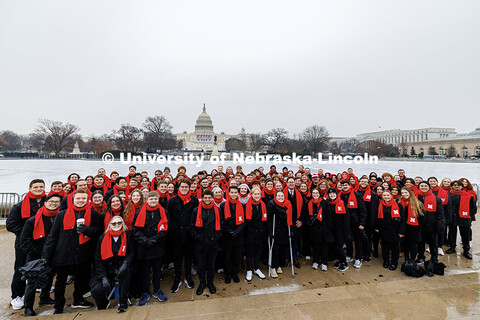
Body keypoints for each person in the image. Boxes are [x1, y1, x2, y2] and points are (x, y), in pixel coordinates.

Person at [42, 189, 101, 314]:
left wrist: (86, 229)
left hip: (82, 253)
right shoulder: (61, 214)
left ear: (87, 200)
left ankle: (78, 300)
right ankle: (58, 306)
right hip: (63, 253)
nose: (81, 201)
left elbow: (98, 232)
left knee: (80, 279)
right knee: (60, 281)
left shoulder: (94, 213)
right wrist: (46, 255)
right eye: (78, 198)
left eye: (83, 198)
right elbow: (53, 236)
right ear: (73, 199)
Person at [7, 179, 46, 310]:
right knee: (21, 268)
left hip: (42, 242)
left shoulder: (49, 202)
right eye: (36, 187)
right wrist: (27, 234)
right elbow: (11, 224)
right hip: (24, 243)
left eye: (41, 186)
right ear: (30, 188)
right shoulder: (19, 206)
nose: (39, 189)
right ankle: (16, 296)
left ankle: (39, 286)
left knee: (41, 265)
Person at [20, 194, 61, 317]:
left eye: (57, 202)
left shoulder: (60, 217)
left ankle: (45, 296)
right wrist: (39, 253)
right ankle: (28, 307)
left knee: (49, 277)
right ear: (45, 203)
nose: (54, 204)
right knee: (32, 283)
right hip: (36, 256)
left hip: (53, 254)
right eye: (51, 201)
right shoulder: (32, 220)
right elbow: (24, 241)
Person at [90, 216, 134, 313]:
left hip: (122, 266)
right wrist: (103, 277)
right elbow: (97, 259)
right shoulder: (102, 238)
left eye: (119, 223)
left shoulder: (128, 235)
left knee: (125, 274)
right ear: (109, 226)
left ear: (123, 224)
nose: (117, 225)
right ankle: (103, 303)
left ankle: (123, 302)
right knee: (96, 289)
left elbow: (131, 253)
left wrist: (126, 263)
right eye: (114, 223)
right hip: (106, 269)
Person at [132, 191, 169, 306]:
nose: (153, 201)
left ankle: (157, 290)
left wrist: (155, 240)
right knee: (145, 271)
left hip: (157, 246)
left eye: (155, 199)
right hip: (144, 247)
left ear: (158, 200)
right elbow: (135, 230)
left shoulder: (164, 212)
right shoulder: (139, 213)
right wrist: (145, 241)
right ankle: (146, 292)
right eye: (151, 199)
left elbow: (166, 229)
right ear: (147, 200)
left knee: (157, 270)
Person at [166, 179, 199, 293]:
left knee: (189, 258)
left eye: (186, 187)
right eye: (182, 187)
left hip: (190, 234)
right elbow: (169, 218)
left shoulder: (194, 200)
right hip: (176, 234)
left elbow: (197, 216)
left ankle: (188, 277)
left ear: (189, 188)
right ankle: (177, 278)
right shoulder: (172, 201)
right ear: (178, 188)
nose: (184, 189)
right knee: (177, 258)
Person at [191, 190, 223, 295]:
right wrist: (199, 237)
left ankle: (210, 283)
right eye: (205, 198)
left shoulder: (217, 210)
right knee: (201, 266)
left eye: (209, 198)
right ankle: (202, 283)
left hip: (213, 242)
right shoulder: (196, 210)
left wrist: (217, 237)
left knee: (211, 266)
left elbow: (221, 224)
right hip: (200, 243)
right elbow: (192, 227)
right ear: (202, 198)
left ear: (212, 198)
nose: (208, 200)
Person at [374, 190, 405, 271]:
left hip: (394, 230)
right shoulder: (380, 205)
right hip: (383, 230)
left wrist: (401, 231)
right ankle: (386, 261)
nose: (386, 197)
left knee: (395, 248)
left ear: (391, 196)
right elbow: (377, 217)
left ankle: (394, 263)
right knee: (384, 247)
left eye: (388, 195)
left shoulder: (398, 205)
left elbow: (403, 220)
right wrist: (377, 227)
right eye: (384, 195)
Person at [446, 180, 477, 259]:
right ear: (452, 186)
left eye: (459, 185)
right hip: (452, 217)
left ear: (462, 186)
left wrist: (469, 216)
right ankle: (452, 247)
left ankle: (466, 250)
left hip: (464, 218)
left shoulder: (469, 196)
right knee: (452, 233)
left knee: (465, 235)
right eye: (455, 185)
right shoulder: (448, 195)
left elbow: (473, 208)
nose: (457, 186)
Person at [221, 186, 246, 283]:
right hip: (227, 236)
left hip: (238, 236)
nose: (234, 194)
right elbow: (222, 221)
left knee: (237, 257)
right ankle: (228, 274)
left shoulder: (242, 206)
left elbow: (244, 222)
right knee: (227, 257)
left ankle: (235, 273)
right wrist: (229, 231)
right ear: (229, 193)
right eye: (232, 192)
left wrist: (237, 231)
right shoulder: (223, 206)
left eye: (236, 192)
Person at [339, 180, 367, 269]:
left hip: (356, 221)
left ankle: (358, 258)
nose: (344, 187)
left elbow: (363, 210)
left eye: (346, 185)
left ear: (350, 185)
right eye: (343, 185)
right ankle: (349, 255)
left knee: (358, 240)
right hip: (345, 222)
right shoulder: (340, 195)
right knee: (348, 239)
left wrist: (362, 223)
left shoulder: (357, 195)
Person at [416, 181, 444, 264]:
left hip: (432, 225)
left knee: (433, 244)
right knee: (420, 243)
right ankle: (421, 257)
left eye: (425, 186)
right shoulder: (415, 197)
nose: (423, 187)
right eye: (421, 186)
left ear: (429, 187)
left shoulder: (437, 199)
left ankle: (434, 258)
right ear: (419, 187)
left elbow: (440, 214)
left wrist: (440, 226)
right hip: (419, 225)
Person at [267, 191, 293, 278]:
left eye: (282, 196)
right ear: (275, 196)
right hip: (275, 230)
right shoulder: (271, 204)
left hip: (284, 229)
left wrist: (290, 229)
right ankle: (273, 267)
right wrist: (270, 231)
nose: (280, 197)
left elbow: (289, 217)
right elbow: (270, 219)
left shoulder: (288, 204)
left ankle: (278, 265)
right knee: (275, 249)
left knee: (281, 248)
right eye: (279, 196)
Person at [244, 187, 267, 281]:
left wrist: (263, 231)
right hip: (250, 233)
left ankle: (257, 268)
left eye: (258, 194)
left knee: (258, 251)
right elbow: (246, 221)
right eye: (255, 194)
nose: (257, 196)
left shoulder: (263, 204)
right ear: (251, 195)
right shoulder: (247, 205)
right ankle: (249, 269)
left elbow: (265, 220)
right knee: (250, 252)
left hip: (260, 232)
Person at [307, 189, 333, 271]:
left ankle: (324, 263)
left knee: (325, 246)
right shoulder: (309, 203)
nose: (315, 194)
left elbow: (329, 215)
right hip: (315, 228)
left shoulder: (325, 203)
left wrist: (329, 226)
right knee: (316, 246)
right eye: (313, 193)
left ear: (319, 194)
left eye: (316, 193)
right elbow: (307, 215)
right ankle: (316, 261)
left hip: (324, 227)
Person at [327, 188, 350, 272]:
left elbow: (346, 218)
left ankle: (344, 262)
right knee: (334, 246)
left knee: (339, 246)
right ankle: (339, 260)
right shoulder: (328, 203)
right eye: (330, 194)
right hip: (332, 228)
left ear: (336, 194)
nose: (332, 195)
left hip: (340, 229)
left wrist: (346, 230)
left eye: (333, 193)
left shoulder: (341, 203)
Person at [399, 188, 424, 264]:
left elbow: (422, 217)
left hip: (414, 227)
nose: (404, 194)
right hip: (404, 227)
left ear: (410, 193)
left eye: (406, 192)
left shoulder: (418, 203)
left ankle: (412, 259)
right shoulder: (400, 202)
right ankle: (406, 259)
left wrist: (418, 228)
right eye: (402, 193)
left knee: (413, 244)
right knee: (405, 244)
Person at [283, 177, 304, 268]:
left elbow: (303, 208)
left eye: (292, 182)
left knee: (295, 241)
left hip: (296, 221)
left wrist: (301, 220)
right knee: (286, 241)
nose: (291, 183)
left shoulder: (299, 194)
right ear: (286, 183)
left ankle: (295, 258)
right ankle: (286, 258)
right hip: (285, 222)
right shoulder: (282, 194)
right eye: (289, 182)